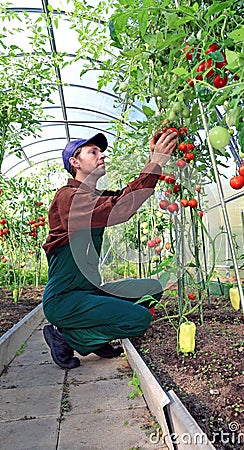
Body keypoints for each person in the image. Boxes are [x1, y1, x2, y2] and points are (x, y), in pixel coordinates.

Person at [42, 129, 177, 369]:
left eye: (101, 151)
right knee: (140, 319)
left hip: (90, 292)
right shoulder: (68, 197)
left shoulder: (92, 196)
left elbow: (125, 197)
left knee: (152, 288)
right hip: (65, 299)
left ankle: (95, 331)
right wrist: (155, 165)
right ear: (75, 162)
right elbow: (121, 209)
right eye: (93, 152)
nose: (101, 155)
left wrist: (152, 158)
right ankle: (67, 337)